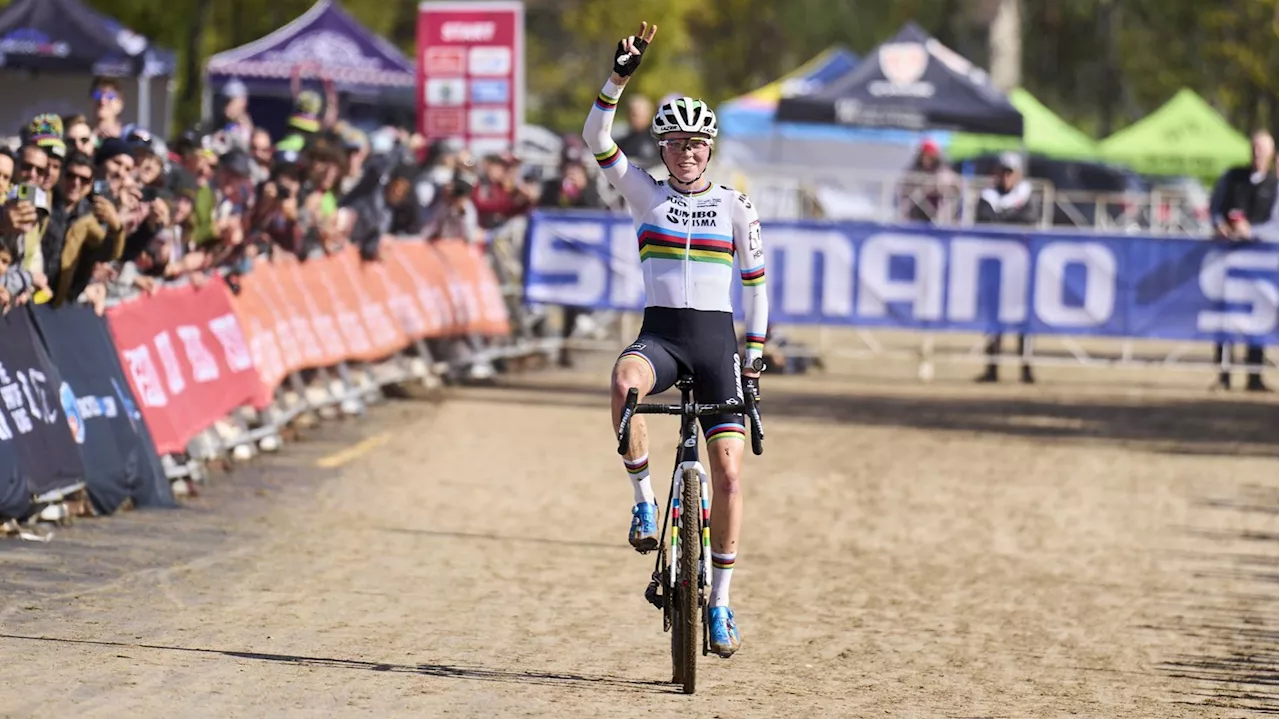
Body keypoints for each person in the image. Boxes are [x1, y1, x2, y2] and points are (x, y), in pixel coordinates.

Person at [582, 21, 767, 659]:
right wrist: (618, 77)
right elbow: (594, 137)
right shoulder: (643, 195)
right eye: (677, 143)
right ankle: (641, 502)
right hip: (661, 337)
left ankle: (719, 603)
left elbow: (756, 281)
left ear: (710, 150)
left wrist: (759, 349)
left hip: (718, 346)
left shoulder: (736, 207)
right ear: (662, 149)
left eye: (698, 144)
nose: (688, 153)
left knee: (730, 477)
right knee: (622, 381)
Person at [1207, 130, 1276, 392]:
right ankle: (1223, 374)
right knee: (1224, 318)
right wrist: (1220, 225)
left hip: (1260, 263)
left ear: (1270, 154)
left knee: (1258, 318)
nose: (1257, 154)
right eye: (1254, 148)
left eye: (1262, 150)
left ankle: (1254, 375)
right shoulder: (1233, 177)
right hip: (1227, 260)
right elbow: (1215, 206)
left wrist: (1252, 233)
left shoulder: (1274, 185)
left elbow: (1276, 224)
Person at [975, 151, 1039, 384]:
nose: (1005, 177)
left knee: (1024, 320)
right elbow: (984, 219)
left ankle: (1026, 368)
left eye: (1010, 172)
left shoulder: (1027, 195)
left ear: (1018, 174)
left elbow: (1029, 219)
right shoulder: (988, 196)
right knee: (994, 320)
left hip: (1021, 268)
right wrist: (1011, 217)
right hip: (994, 267)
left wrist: (1003, 217)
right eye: (1002, 171)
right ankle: (992, 368)